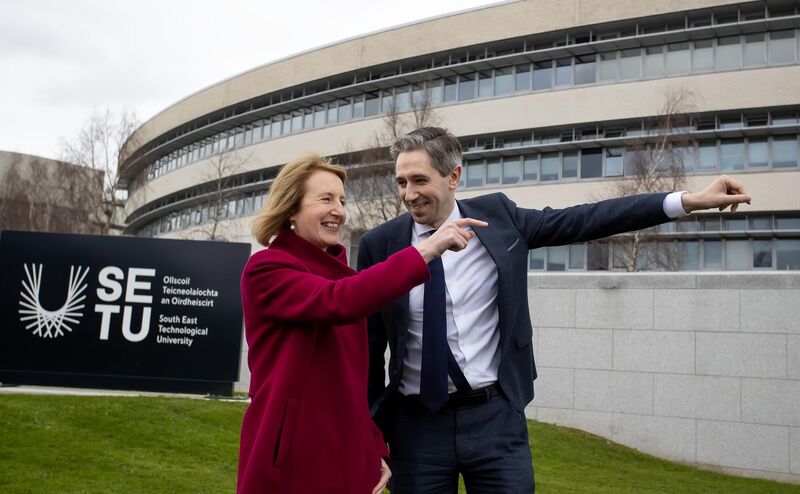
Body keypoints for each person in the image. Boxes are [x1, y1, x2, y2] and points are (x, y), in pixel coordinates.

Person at [357, 127, 752, 493]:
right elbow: (366, 353)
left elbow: (586, 220)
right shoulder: (380, 244)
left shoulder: (499, 219)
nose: (409, 194)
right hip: (416, 427)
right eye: (402, 182)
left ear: (453, 176)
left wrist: (686, 201)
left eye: (420, 180)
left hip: (495, 419)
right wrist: (370, 436)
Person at [236, 153, 487, 494]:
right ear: (291, 209)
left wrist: (373, 443)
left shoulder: (347, 280)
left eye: (341, 200)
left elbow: (352, 380)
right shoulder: (266, 269)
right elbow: (337, 301)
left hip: (345, 450)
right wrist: (426, 250)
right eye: (325, 199)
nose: (338, 210)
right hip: (291, 454)